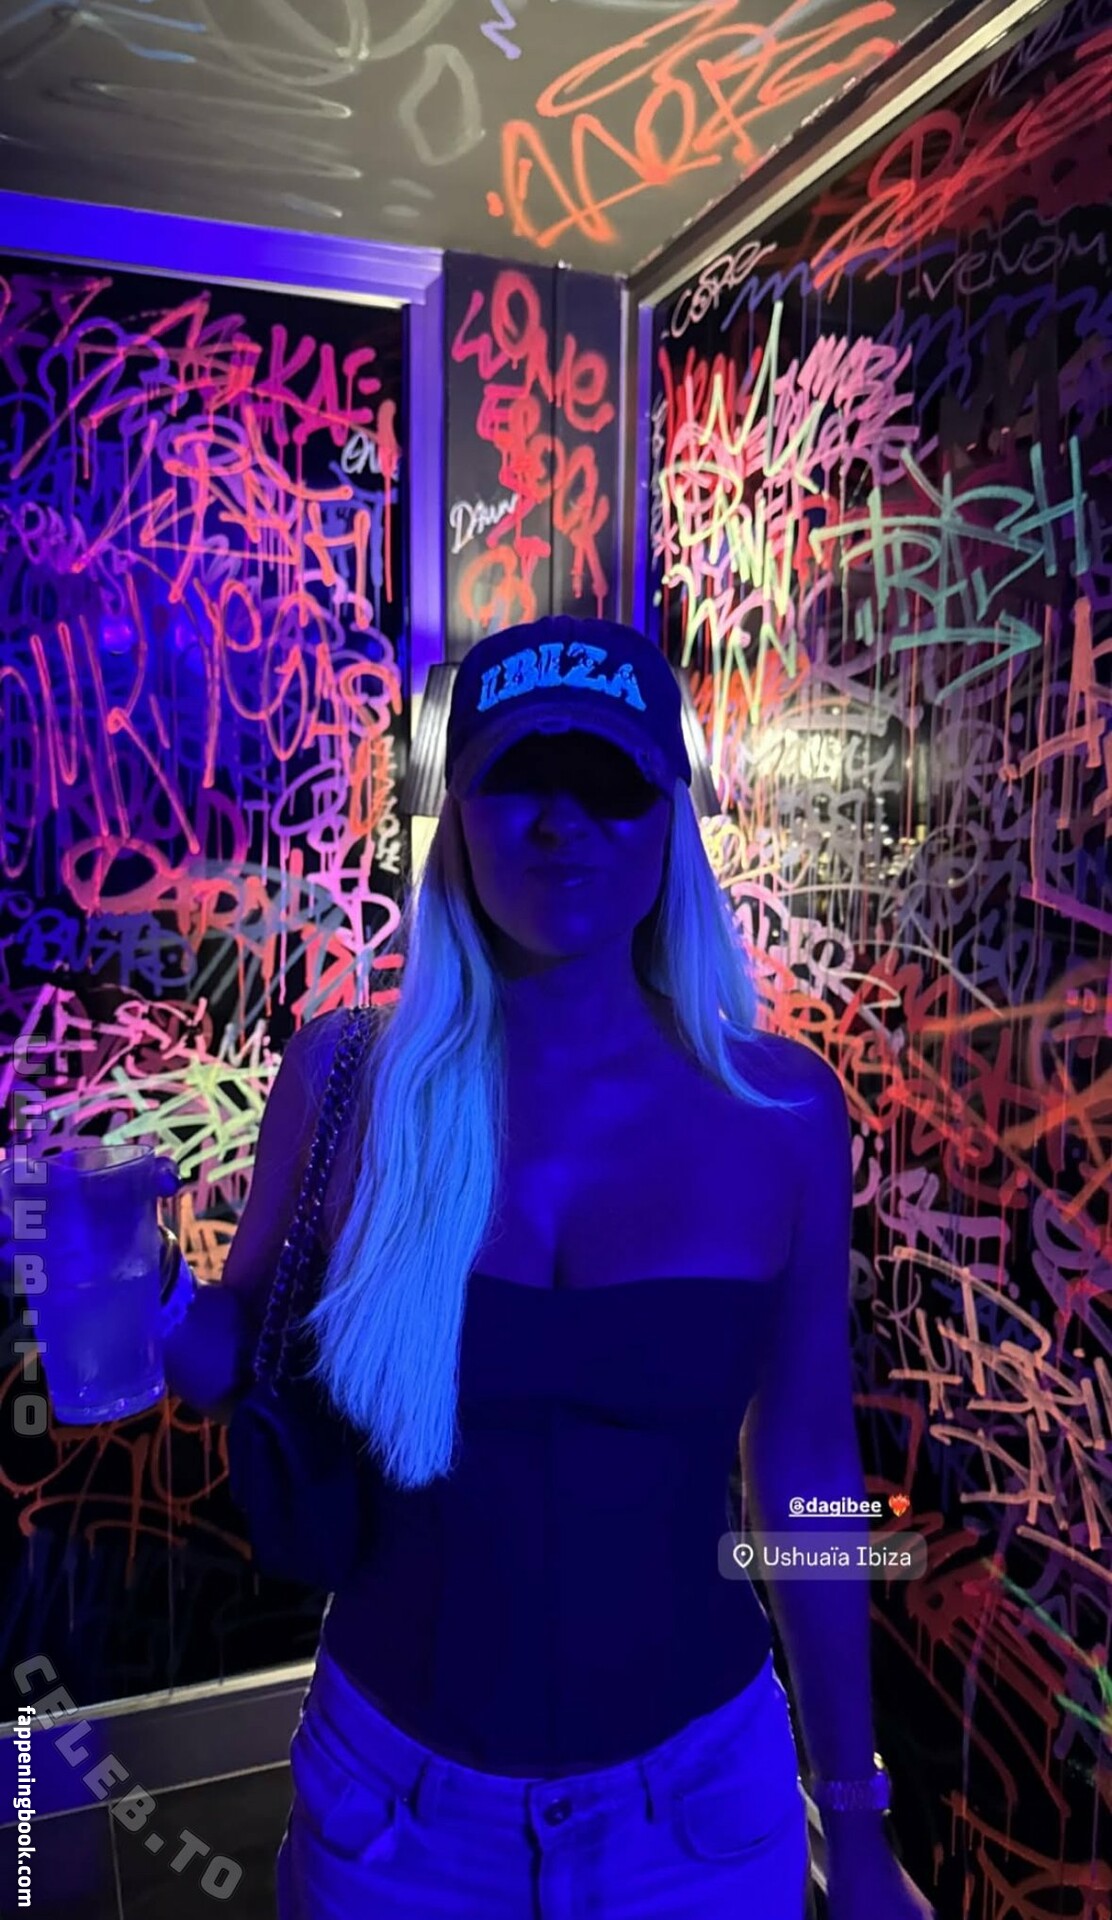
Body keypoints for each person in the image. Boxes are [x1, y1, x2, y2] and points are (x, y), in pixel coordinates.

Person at [165, 615, 935, 1919]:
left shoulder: (783, 1113)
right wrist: (138, 1296)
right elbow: (229, 1361)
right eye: (520, 775)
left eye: (610, 780)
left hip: (697, 1815)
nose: (563, 821)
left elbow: (806, 1467)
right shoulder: (351, 1079)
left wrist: (854, 1818)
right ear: (457, 814)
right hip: (395, 1816)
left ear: (669, 820)